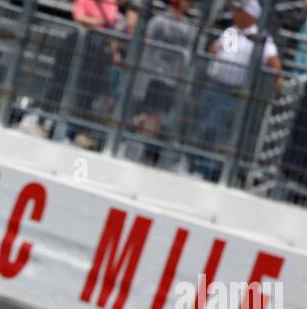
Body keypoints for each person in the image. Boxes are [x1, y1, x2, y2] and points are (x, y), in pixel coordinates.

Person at [191, 0, 283, 180]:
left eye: (239, 11)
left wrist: (277, 77)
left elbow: (272, 59)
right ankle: (193, 162)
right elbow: (222, 51)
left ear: (250, 15)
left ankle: (205, 170)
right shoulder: (232, 32)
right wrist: (214, 50)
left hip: (231, 91)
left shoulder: (259, 36)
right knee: (202, 125)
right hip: (214, 84)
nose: (235, 14)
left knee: (214, 127)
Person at [131, 0, 197, 161]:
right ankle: (142, 143)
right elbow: (147, 40)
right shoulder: (160, 21)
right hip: (155, 74)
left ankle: (138, 131)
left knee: (157, 115)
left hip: (172, 78)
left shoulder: (188, 26)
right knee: (154, 114)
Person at [69, 0, 132, 148]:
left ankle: (78, 132)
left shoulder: (111, 5)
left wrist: (114, 51)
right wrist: (98, 22)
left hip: (99, 55)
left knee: (89, 94)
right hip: (77, 49)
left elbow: (111, 26)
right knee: (66, 88)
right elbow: (78, 16)